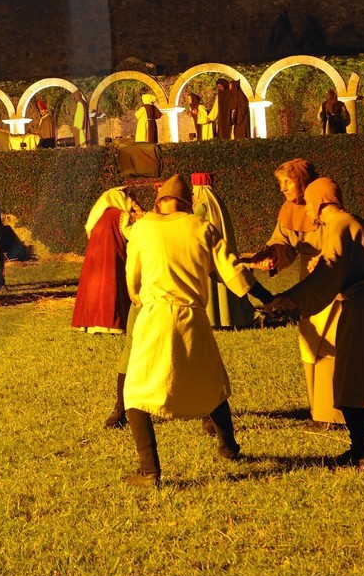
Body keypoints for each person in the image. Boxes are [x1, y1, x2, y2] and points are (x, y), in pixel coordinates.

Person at [120, 175, 274, 486]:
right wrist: (269, 299)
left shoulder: (142, 228)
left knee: (136, 392)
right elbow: (232, 272)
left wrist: (138, 294)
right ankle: (229, 448)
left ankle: (149, 471)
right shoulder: (201, 227)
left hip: (154, 317)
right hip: (193, 317)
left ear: (159, 202)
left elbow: (132, 279)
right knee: (211, 384)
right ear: (188, 203)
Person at [262, 179, 364, 467]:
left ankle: (361, 453)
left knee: (350, 379)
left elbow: (328, 274)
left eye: (308, 204)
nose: (306, 212)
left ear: (319, 201)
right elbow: (343, 264)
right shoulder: (357, 222)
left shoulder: (338, 225)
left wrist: (288, 301)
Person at [247, 159, 344, 427]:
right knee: (310, 342)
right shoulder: (290, 209)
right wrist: (271, 256)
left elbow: (339, 240)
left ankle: (336, 413)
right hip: (307, 276)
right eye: (280, 184)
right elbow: (284, 242)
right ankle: (319, 410)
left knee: (330, 341)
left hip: (332, 276)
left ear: (302, 180)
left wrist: (325, 258)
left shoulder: (326, 205)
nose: (283, 189)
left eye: (287, 182)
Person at [73, 188, 139, 335]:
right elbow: (131, 235)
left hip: (95, 258)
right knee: (110, 287)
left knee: (93, 289)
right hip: (112, 257)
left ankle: (89, 324)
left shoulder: (99, 217)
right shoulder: (121, 215)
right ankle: (109, 324)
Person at [193, 173, 255, 330]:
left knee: (213, 286)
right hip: (222, 252)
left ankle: (215, 319)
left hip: (209, 253)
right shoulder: (216, 202)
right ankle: (231, 317)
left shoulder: (202, 206)